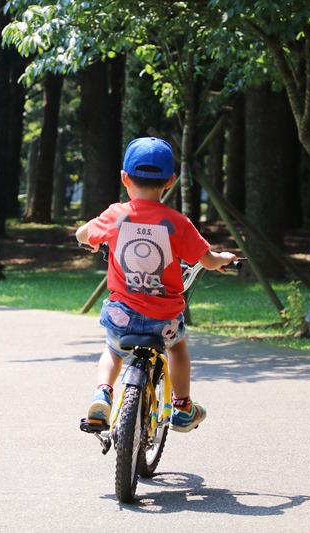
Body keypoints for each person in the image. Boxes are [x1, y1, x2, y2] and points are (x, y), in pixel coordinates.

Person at [76, 137, 236, 433]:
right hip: (164, 319)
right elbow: (208, 260)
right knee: (177, 349)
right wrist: (223, 257)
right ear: (170, 181)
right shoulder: (178, 223)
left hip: (122, 314)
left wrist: (86, 237)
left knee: (112, 350)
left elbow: (83, 234)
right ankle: (183, 407)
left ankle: (102, 393)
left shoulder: (115, 215)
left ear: (125, 178)